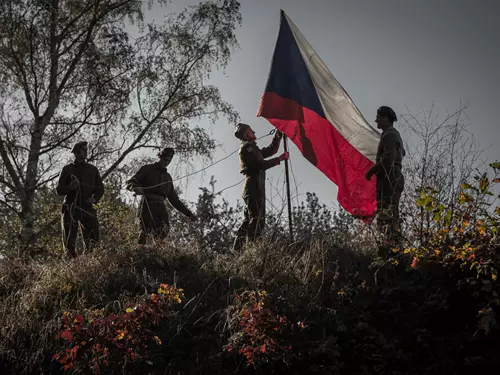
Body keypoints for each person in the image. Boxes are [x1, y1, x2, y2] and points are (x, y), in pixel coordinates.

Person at [232, 123, 289, 251]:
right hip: (252, 187)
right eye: (250, 130)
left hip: (255, 187)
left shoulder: (254, 149)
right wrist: (279, 159)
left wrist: (278, 135)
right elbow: (260, 165)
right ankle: (251, 249)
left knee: (251, 220)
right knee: (256, 220)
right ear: (246, 134)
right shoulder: (247, 148)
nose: (253, 131)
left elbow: (271, 150)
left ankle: (239, 250)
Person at [126, 147, 197, 245]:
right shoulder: (147, 169)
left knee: (163, 232)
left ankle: (157, 256)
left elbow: (174, 200)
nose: (166, 162)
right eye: (165, 159)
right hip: (147, 203)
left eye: (169, 160)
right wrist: (135, 187)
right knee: (145, 231)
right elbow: (131, 182)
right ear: (160, 157)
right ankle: (139, 254)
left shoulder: (167, 178)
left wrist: (188, 213)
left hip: (160, 206)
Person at [56, 141, 104, 258]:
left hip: (87, 206)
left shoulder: (92, 170)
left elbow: (100, 189)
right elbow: (59, 190)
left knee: (94, 238)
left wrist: (94, 199)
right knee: (69, 240)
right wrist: (70, 187)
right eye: (83, 149)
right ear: (76, 152)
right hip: (71, 206)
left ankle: (89, 262)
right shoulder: (67, 169)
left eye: (86, 149)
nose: (86, 151)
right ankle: (72, 264)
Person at [365, 106, 406, 239]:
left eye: (378, 117)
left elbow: (388, 159)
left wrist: (371, 171)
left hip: (389, 177)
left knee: (387, 214)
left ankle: (390, 247)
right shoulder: (394, 135)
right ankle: (392, 246)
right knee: (391, 213)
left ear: (386, 118)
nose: (376, 120)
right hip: (393, 175)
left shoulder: (390, 135)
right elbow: (402, 153)